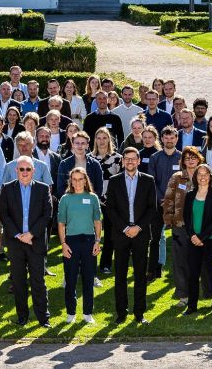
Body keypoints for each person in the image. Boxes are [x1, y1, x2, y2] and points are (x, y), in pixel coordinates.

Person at [0, 156, 53, 328]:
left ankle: (43, 318)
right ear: (16, 171)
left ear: (33, 171)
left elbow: (47, 214)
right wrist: (17, 234)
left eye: (27, 169)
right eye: (21, 169)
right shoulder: (7, 189)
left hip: (35, 242)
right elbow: (4, 214)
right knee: (18, 282)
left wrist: (31, 234)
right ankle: (22, 316)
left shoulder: (43, 189)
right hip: (15, 243)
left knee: (38, 281)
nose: (24, 172)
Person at [106, 147, 158, 325]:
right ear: (122, 161)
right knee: (120, 275)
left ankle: (139, 313)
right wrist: (125, 228)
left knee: (140, 276)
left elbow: (153, 208)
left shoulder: (148, 180)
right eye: (126, 159)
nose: (129, 162)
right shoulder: (114, 181)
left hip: (141, 234)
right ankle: (121, 313)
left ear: (138, 161)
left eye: (133, 159)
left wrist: (138, 227)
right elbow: (110, 209)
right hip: (121, 235)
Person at [57, 167, 102, 324]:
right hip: (71, 242)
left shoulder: (92, 198)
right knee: (70, 279)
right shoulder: (65, 199)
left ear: (85, 180)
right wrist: (63, 244)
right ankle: (71, 313)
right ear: (71, 181)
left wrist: (98, 241)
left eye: (80, 179)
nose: (77, 182)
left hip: (90, 242)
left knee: (88, 279)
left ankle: (87, 314)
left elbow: (97, 221)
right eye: (74, 179)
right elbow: (61, 223)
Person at [162, 146, 203, 307]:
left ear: (199, 159)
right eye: (187, 158)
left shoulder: (204, 175)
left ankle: (204, 294)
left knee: (202, 261)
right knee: (180, 261)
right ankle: (183, 295)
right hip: (180, 224)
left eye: (194, 157)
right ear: (183, 161)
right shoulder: (177, 178)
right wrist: (168, 219)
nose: (191, 160)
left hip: (201, 226)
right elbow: (168, 199)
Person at [183, 164, 212, 316]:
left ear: (210, 176)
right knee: (193, 274)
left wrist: (201, 237)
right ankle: (192, 306)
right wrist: (193, 235)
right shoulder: (189, 195)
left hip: (211, 240)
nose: (202, 177)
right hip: (193, 241)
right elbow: (186, 218)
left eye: (205, 174)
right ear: (195, 177)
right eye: (199, 174)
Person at [147, 126, 181, 280]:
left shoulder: (182, 158)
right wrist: (163, 200)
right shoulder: (155, 158)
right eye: (166, 138)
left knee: (179, 238)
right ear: (161, 139)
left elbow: (184, 182)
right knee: (156, 237)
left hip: (177, 204)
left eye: (172, 137)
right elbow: (151, 181)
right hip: (158, 203)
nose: (169, 140)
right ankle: (154, 268)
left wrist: (172, 200)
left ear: (176, 139)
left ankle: (179, 271)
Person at [91, 127, 122, 280]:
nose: (102, 141)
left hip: (111, 202)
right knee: (92, 233)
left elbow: (121, 181)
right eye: (99, 138)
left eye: (105, 138)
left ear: (109, 140)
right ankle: (90, 263)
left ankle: (105, 264)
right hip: (92, 201)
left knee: (110, 234)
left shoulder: (117, 158)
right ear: (95, 140)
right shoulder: (89, 158)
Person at [56, 131, 104, 198]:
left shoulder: (95, 164)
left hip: (89, 203)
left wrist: (91, 200)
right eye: (77, 143)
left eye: (83, 143)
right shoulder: (64, 164)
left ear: (87, 145)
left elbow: (99, 187)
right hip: (70, 204)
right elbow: (60, 188)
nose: (80, 146)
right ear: (72, 144)